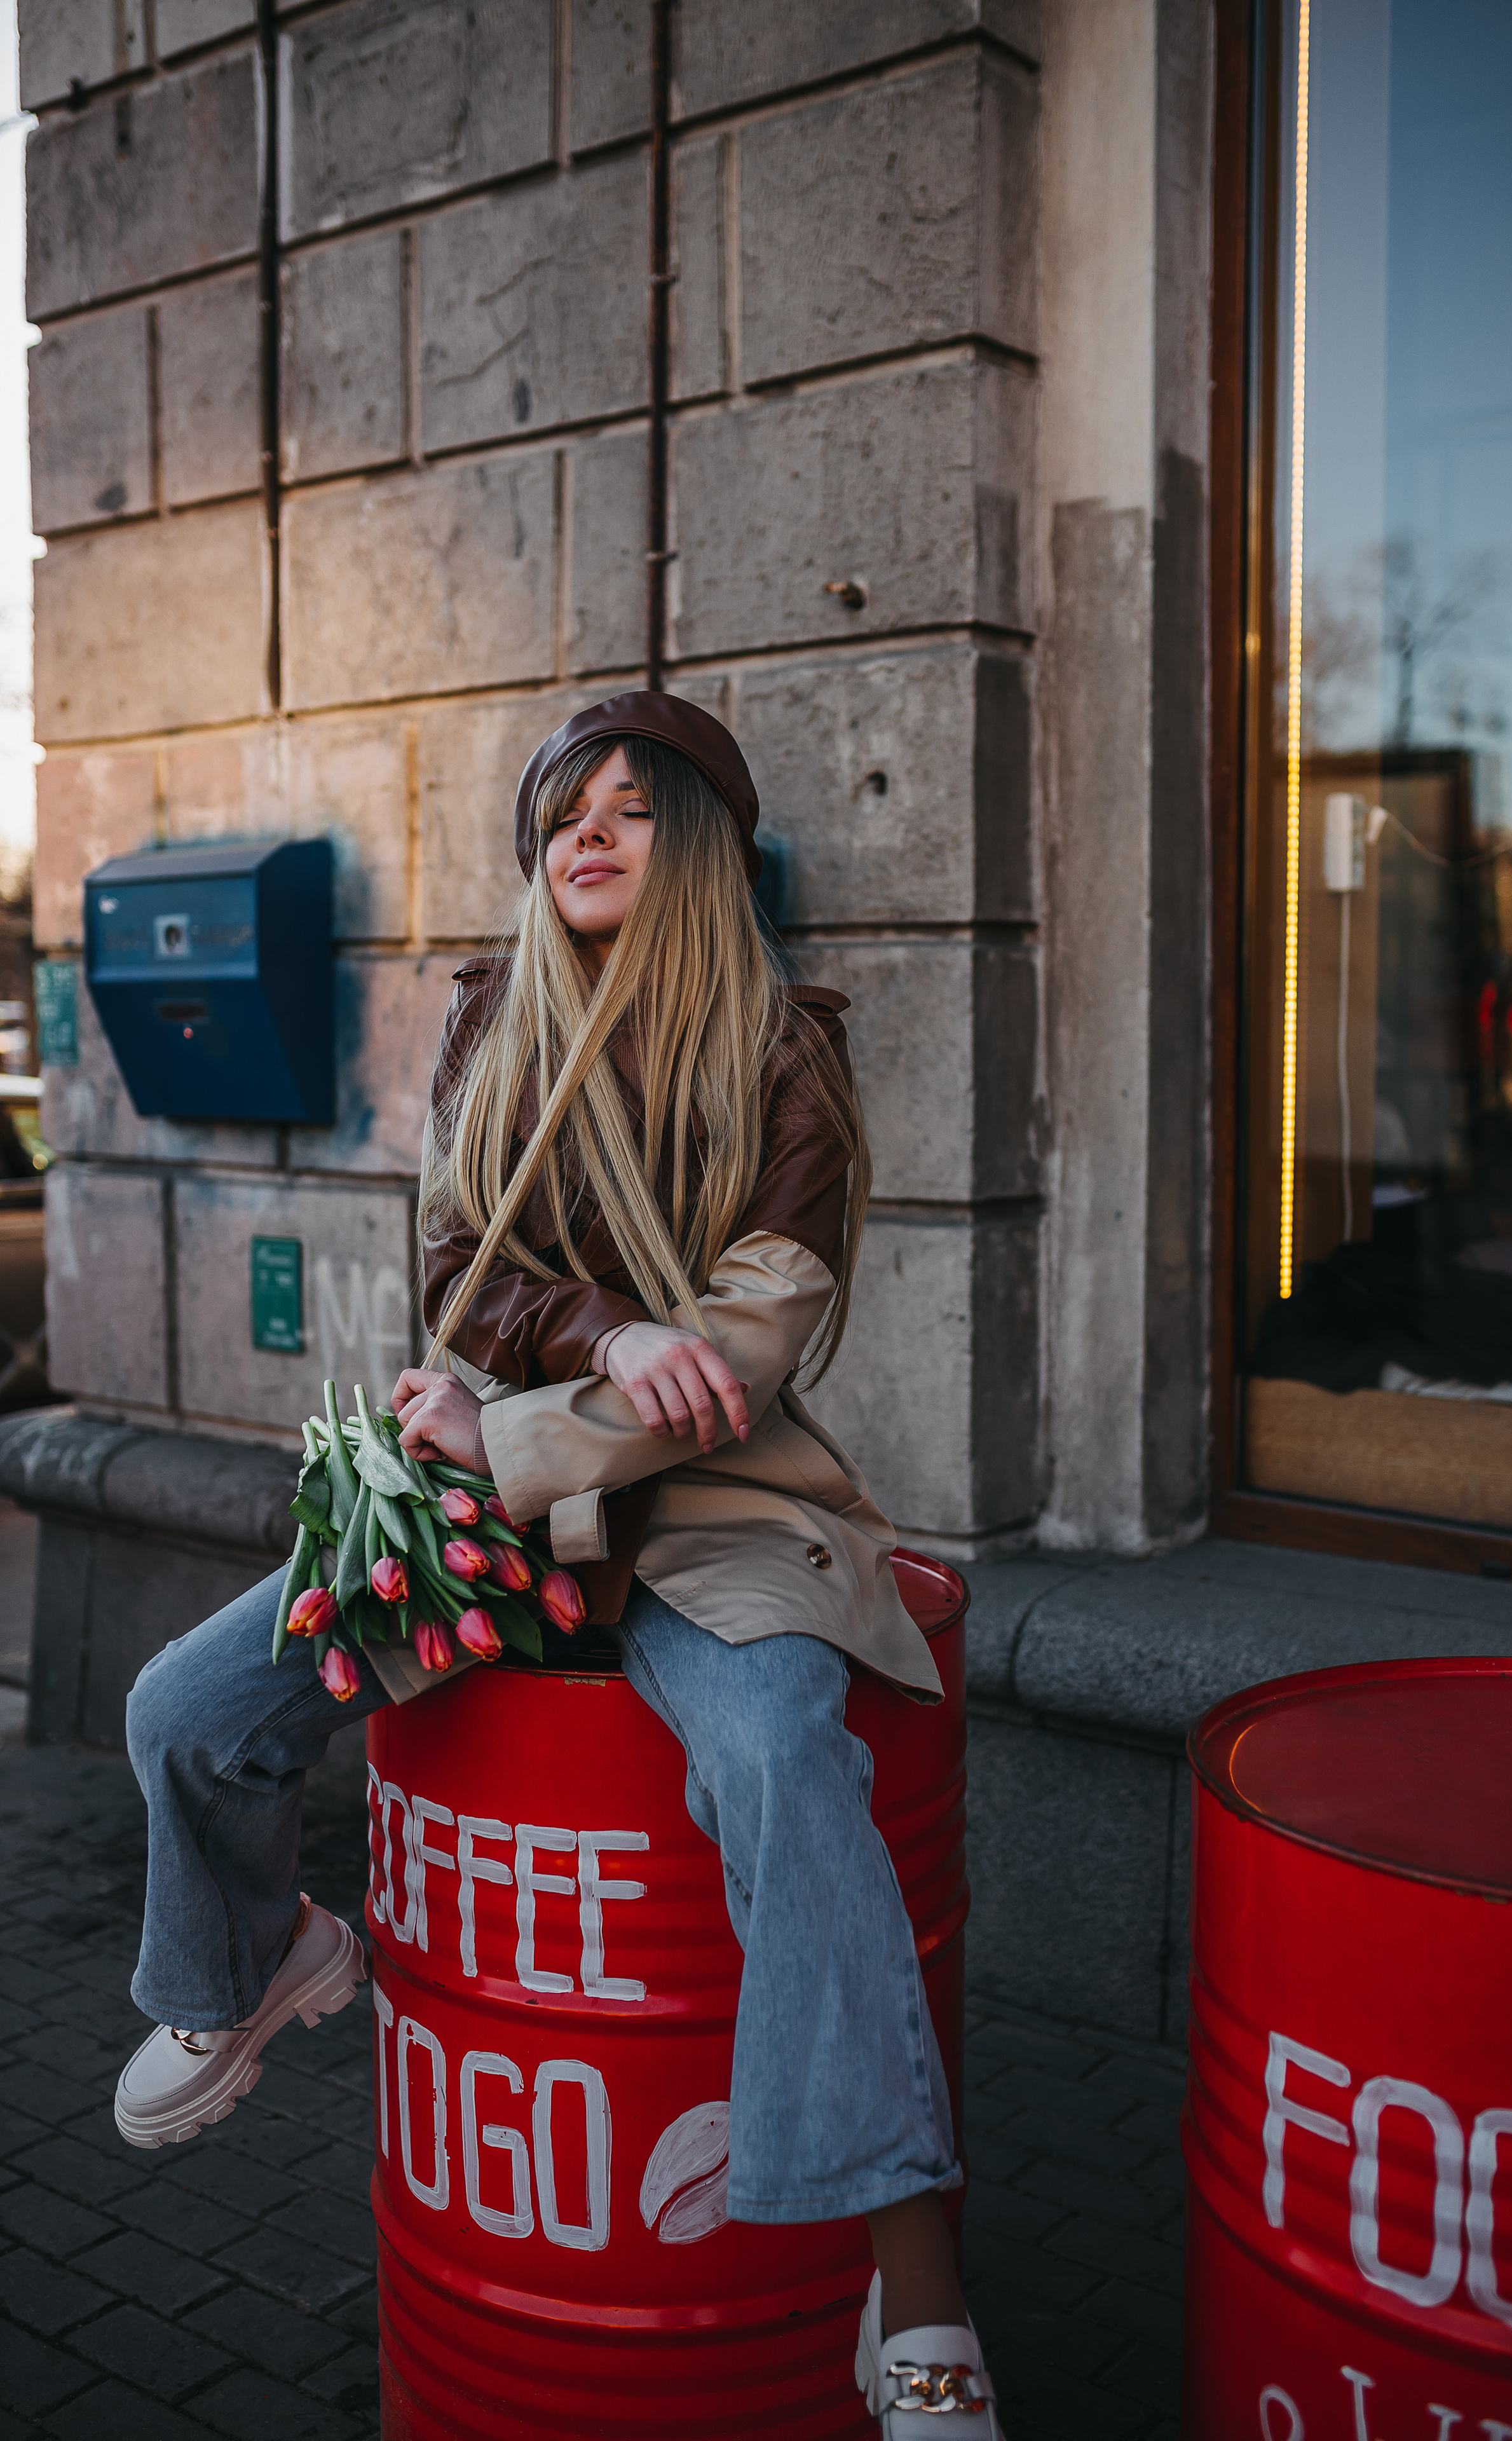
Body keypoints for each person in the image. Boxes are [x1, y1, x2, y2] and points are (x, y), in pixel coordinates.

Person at [117, 693, 1003, 2436]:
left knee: (779, 1766)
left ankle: (914, 2294)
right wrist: (596, 1334)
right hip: (498, 1497)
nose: (587, 838)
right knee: (187, 1705)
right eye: (561, 817)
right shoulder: (493, 1017)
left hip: (716, 1505)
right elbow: (463, 1264)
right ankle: (263, 1960)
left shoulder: (784, 1055)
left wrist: (521, 1420)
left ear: (708, 854)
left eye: (636, 812)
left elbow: (738, 1365)